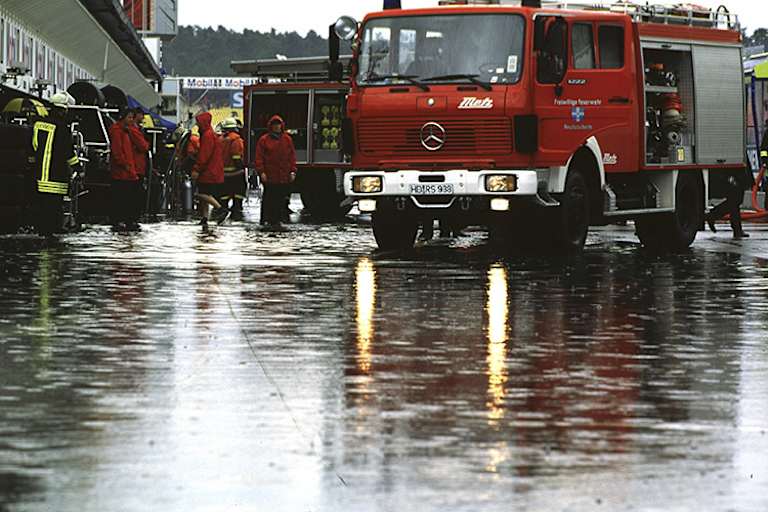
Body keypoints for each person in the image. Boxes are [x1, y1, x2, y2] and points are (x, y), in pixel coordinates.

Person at [24, 92, 82, 234]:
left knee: (40, 205)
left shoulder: (38, 124)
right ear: (63, 110)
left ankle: (40, 230)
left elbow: (33, 146)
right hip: (56, 175)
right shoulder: (63, 127)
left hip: (39, 175)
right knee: (54, 206)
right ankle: (50, 234)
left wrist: (32, 165)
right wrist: (78, 168)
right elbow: (67, 151)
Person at [255, 115, 297, 226]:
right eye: (274, 125)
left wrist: (292, 171)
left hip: (283, 175)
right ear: (271, 126)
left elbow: (292, 157)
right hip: (269, 175)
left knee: (280, 198)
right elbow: (259, 158)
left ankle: (277, 219)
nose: (277, 127)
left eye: (278, 124)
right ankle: (266, 219)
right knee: (268, 198)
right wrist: (261, 172)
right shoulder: (264, 140)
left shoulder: (287, 139)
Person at [192, 112, 229, 228]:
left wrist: (196, 169)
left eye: (198, 122)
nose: (197, 124)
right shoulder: (210, 134)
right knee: (205, 194)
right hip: (212, 169)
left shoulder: (207, 135)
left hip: (208, 171)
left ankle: (220, 209)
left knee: (201, 194)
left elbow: (204, 155)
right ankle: (205, 218)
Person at [109, 108, 142, 231]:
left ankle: (125, 220)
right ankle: (120, 220)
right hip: (122, 172)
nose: (131, 120)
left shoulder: (125, 131)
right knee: (122, 197)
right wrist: (126, 165)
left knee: (126, 197)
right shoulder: (118, 131)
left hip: (127, 171)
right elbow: (118, 152)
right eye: (129, 117)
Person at [218, 117, 247, 220]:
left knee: (224, 195)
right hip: (236, 173)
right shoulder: (236, 140)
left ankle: (223, 212)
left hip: (223, 173)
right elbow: (236, 156)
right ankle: (236, 214)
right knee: (238, 194)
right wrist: (242, 167)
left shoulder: (220, 139)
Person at [127, 108, 150, 216]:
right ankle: (133, 215)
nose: (143, 117)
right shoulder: (134, 130)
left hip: (137, 165)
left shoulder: (135, 129)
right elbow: (144, 146)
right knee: (135, 192)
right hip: (136, 166)